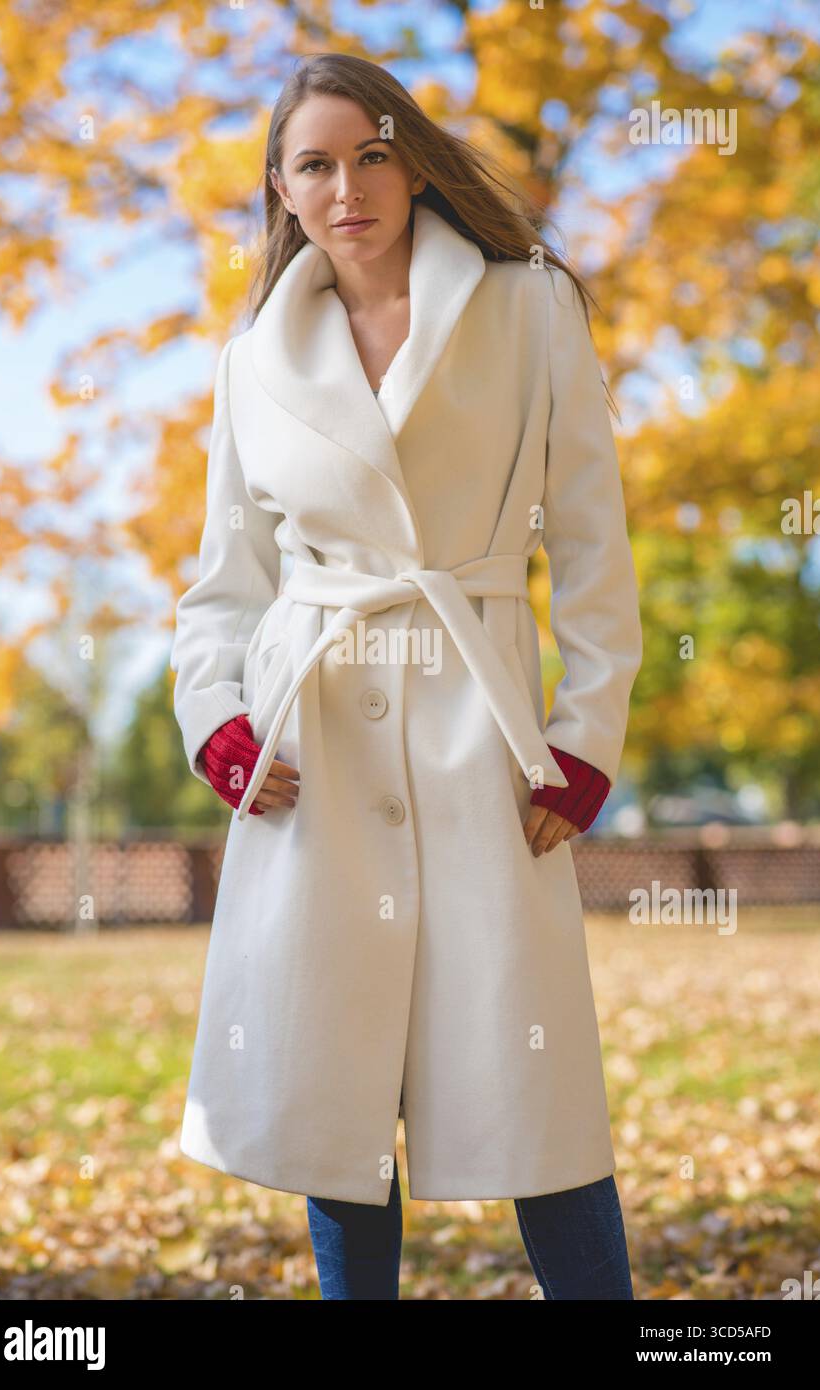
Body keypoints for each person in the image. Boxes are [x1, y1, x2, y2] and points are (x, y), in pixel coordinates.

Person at [170, 52, 643, 1300]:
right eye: (314, 164)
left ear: (415, 158)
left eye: (372, 153)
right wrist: (219, 724)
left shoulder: (530, 302)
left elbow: (594, 543)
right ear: (280, 189)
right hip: (312, 740)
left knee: (538, 1092)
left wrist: (585, 734)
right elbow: (223, 583)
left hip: (482, 736)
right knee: (338, 1099)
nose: (347, 186)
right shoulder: (250, 361)